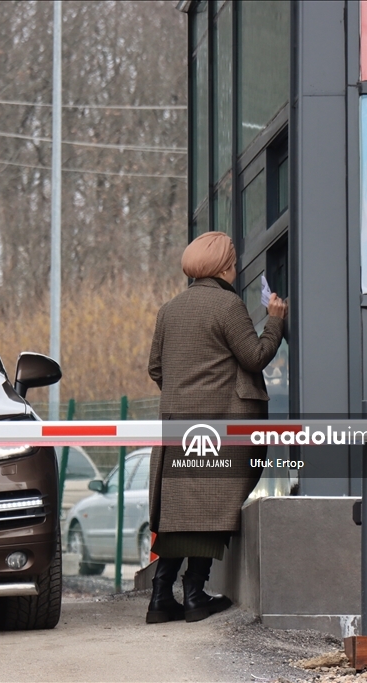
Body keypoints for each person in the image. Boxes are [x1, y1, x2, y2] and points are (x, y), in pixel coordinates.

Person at [146, 231, 288, 624]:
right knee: (214, 504)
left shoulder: (169, 310)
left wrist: (186, 394)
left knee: (180, 509)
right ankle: (194, 596)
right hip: (223, 427)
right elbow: (255, 356)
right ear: (224, 265)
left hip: (178, 426)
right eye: (234, 259)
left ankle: (160, 597)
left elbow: (156, 368)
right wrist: (275, 321)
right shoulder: (227, 306)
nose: (237, 265)